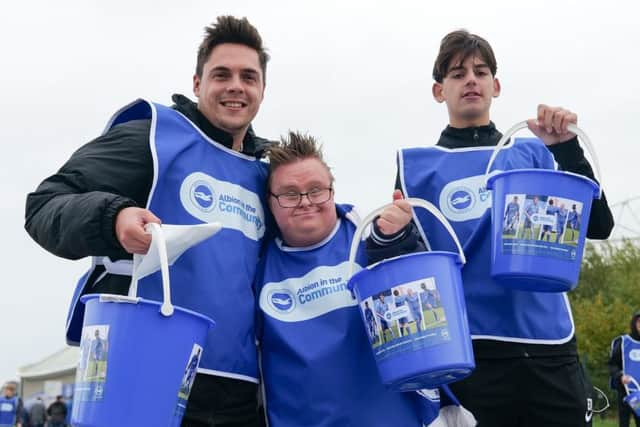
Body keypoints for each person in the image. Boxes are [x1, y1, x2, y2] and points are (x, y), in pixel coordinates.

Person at [24, 15, 271, 427]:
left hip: (239, 392)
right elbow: (45, 205)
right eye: (221, 74)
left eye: (249, 77)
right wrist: (114, 216)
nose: (235, 86)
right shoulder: (153, 138)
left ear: (262, 90)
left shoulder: (266, 174)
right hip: (145, 370)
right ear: (197, 84)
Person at [373, 29, 614, 426]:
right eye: (457, 73)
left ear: (495, 85)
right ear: (439, 91)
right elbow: (401, 266)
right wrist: (387, 234)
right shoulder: (416, 166)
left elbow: (600, 225)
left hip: (547, 344)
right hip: (470, 356)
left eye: (481, 71)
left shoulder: (534, 150)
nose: (471, 79)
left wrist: (567, 147)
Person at [255, 131, 475, 427]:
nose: (305, 202)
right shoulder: (256, 265)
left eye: (316, 189)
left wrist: (398, 238)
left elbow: (420, 295)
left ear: (333, 191)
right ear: (270, 202)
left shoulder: (368, 238)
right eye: (290, 194)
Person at [609, 311, 640, 427]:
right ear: (634, 324)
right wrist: (620, 376)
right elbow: (612, 365)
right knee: (624, 423)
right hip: (626, 393)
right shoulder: (622, 342)